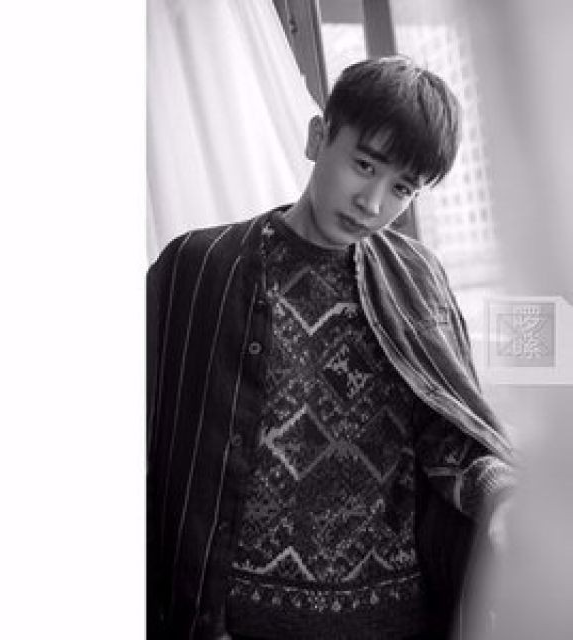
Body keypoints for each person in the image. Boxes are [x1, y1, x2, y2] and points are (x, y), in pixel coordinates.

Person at [147, 56, 516, 640]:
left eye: (402, 188)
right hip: (228, 622)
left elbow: (449, 436)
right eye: (364, 165)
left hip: (396, 624)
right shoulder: (199, 267)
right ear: (318, 136)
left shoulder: (418, 279)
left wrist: (502, 496)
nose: (373, 202)